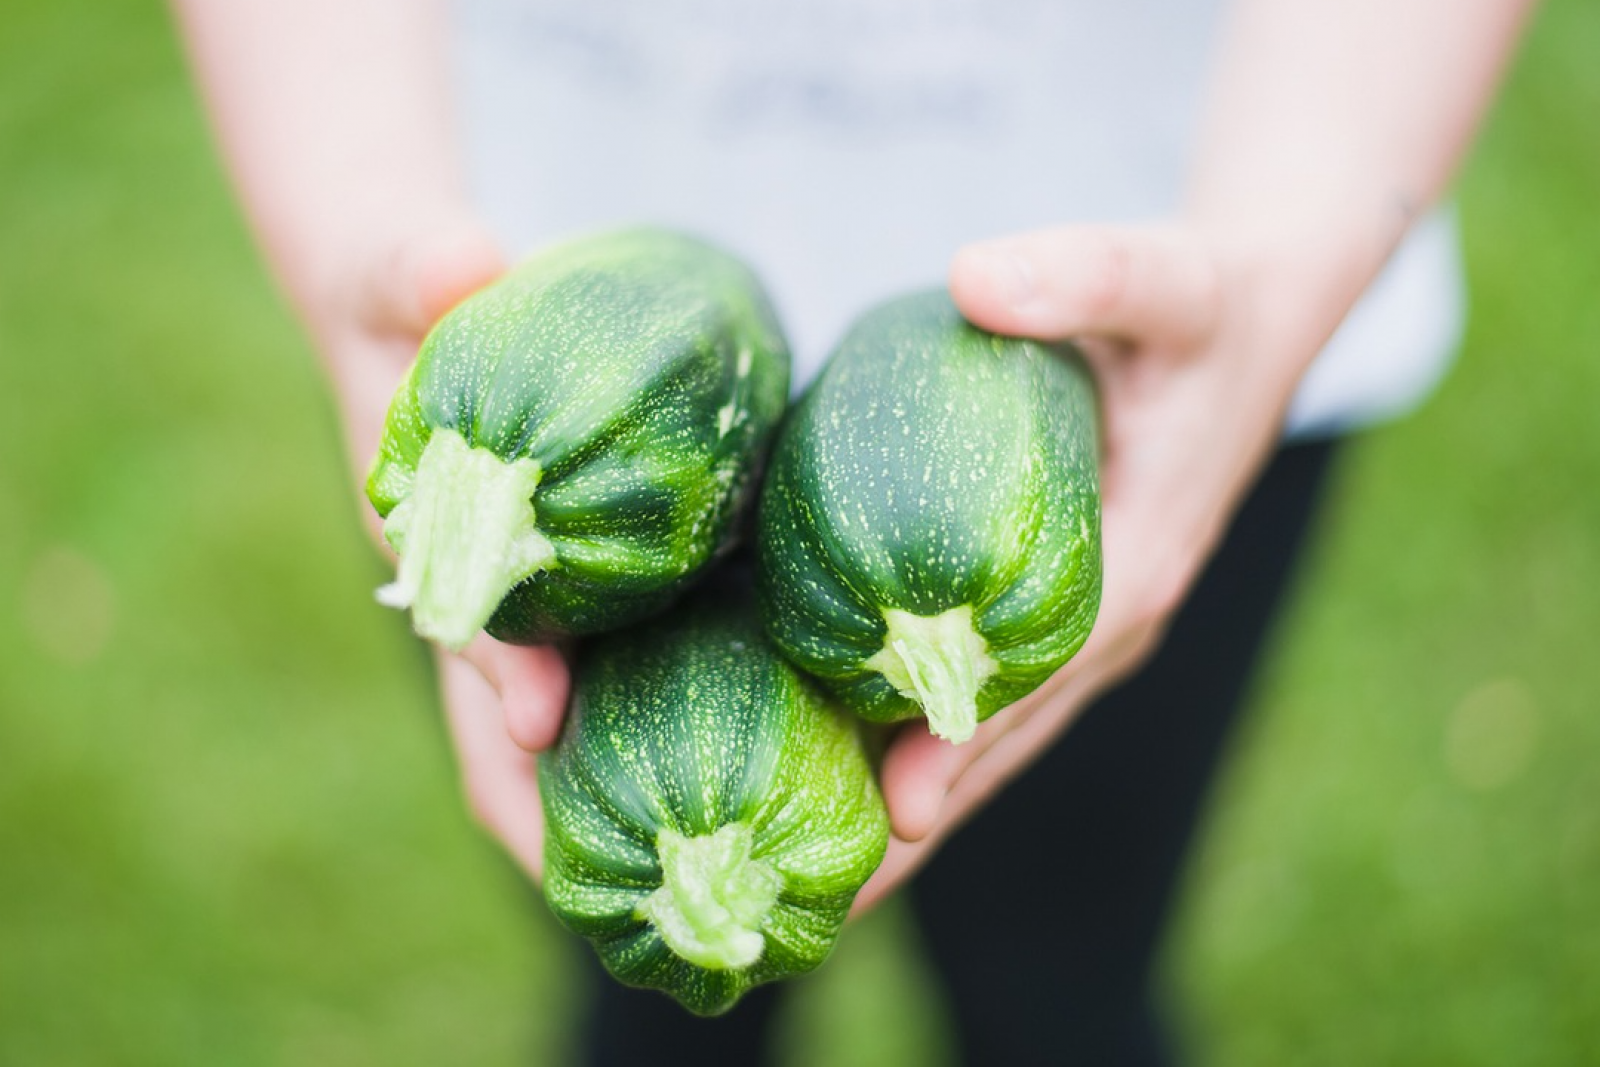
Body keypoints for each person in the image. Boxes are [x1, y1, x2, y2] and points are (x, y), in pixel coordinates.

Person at [171, 1, 1535, 1061]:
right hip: (531, 316)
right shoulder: (488, 427)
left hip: (1176, 322)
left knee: (1060, 977)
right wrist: (350, 207)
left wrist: (1294, 249)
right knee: (651, 995)